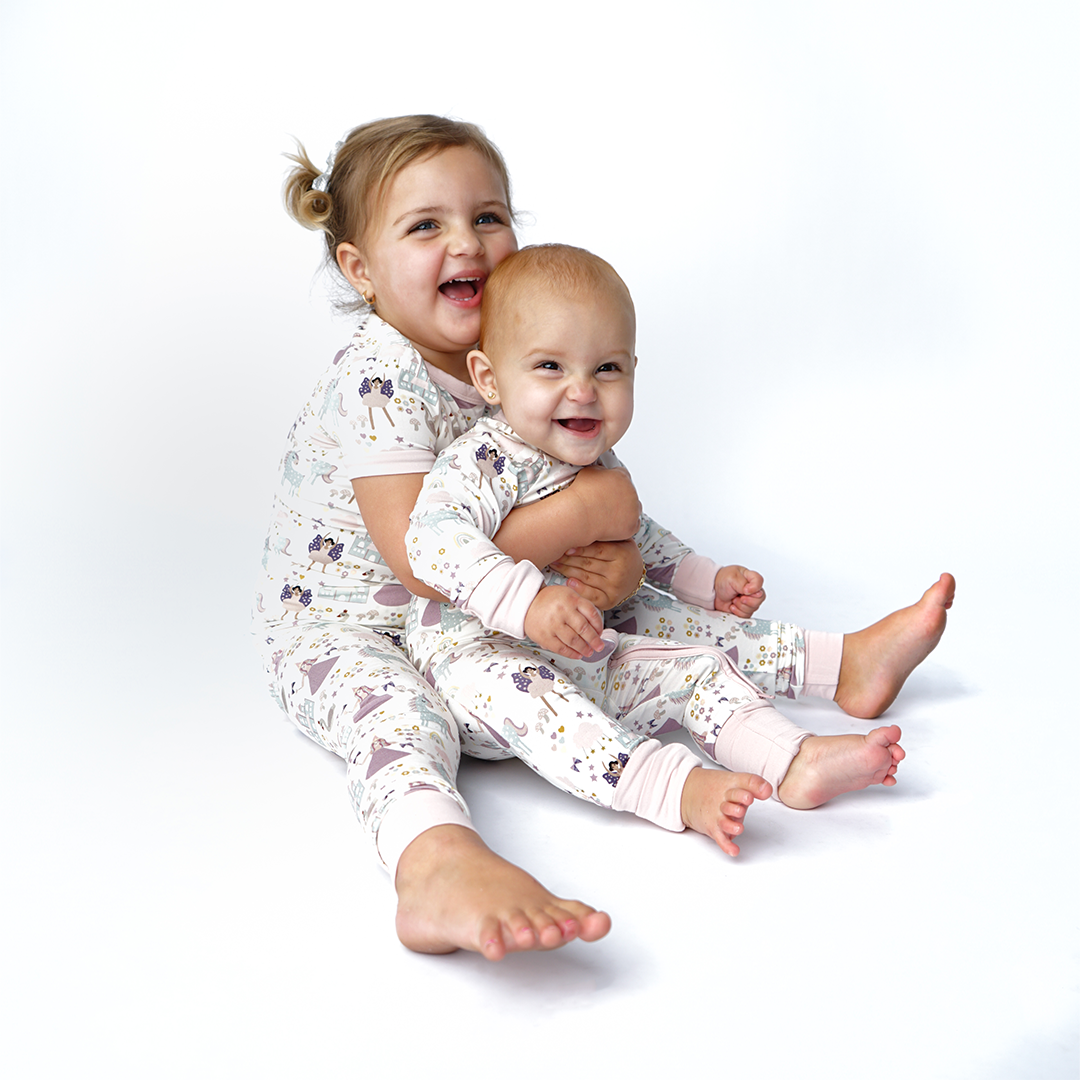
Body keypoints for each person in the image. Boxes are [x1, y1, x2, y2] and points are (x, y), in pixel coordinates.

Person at [254, 114, 954, 963]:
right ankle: (434, 861)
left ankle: (838, 664)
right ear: (360, 270)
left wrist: (631, 559)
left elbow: (578, 511)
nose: (467, 244)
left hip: (490, 606)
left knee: (647, 614)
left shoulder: (528, 349)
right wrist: (596, 512)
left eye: (487, 216)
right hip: (358, 627)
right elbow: (418, 553)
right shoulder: (379, 376)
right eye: (425, 225)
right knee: (396, 722)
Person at [405, 242, 922, 849]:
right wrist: (529, 605)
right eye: (550, 367)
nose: (582, 391)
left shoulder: (596, 459)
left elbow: (638, 533)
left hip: (590, 649)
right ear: (489, 378)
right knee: (548, 709)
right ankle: (676, 790)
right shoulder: (481, 462)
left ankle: (799, 751)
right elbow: (432, 542)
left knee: (697, 663)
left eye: (607, 369)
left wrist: (704, 580)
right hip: (481, 663)